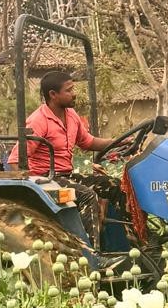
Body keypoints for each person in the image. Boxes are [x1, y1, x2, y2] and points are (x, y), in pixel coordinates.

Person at [8, 69, 117, 245]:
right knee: (86, 195)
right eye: (69, 90)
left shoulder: (71, 115)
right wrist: (32, 189)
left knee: (112, 185)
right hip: (46, 178)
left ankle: (128, 245)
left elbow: (87, 142)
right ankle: (91, 255)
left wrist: (118, 141)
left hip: (66, 176)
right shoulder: (38, 121)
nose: (74, 94)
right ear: (53, 95)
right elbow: (15, 160)